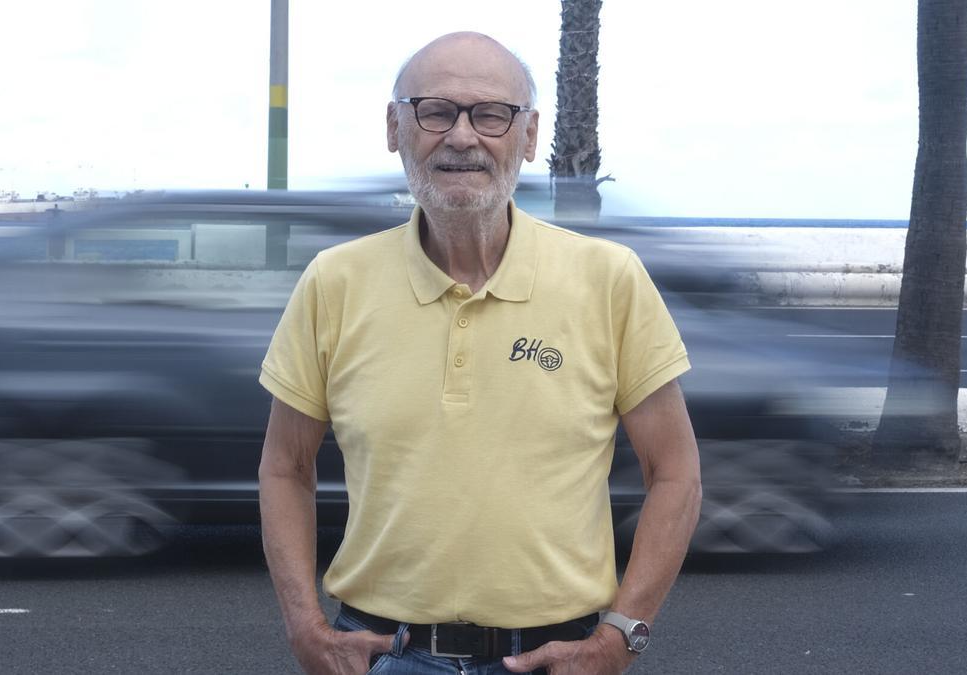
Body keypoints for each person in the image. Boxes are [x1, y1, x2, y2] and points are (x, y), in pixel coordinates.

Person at [258, 31, 701, 675]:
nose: (462, 137)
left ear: (527, 136)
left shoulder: (610, 278)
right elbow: (284, 468)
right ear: (395, 128)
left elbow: (677, 471)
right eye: (435, 111)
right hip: (385, 655)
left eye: (492, 114)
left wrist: (619, 638)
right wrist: (305, 628)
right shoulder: (335, 281)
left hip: (559, 656)